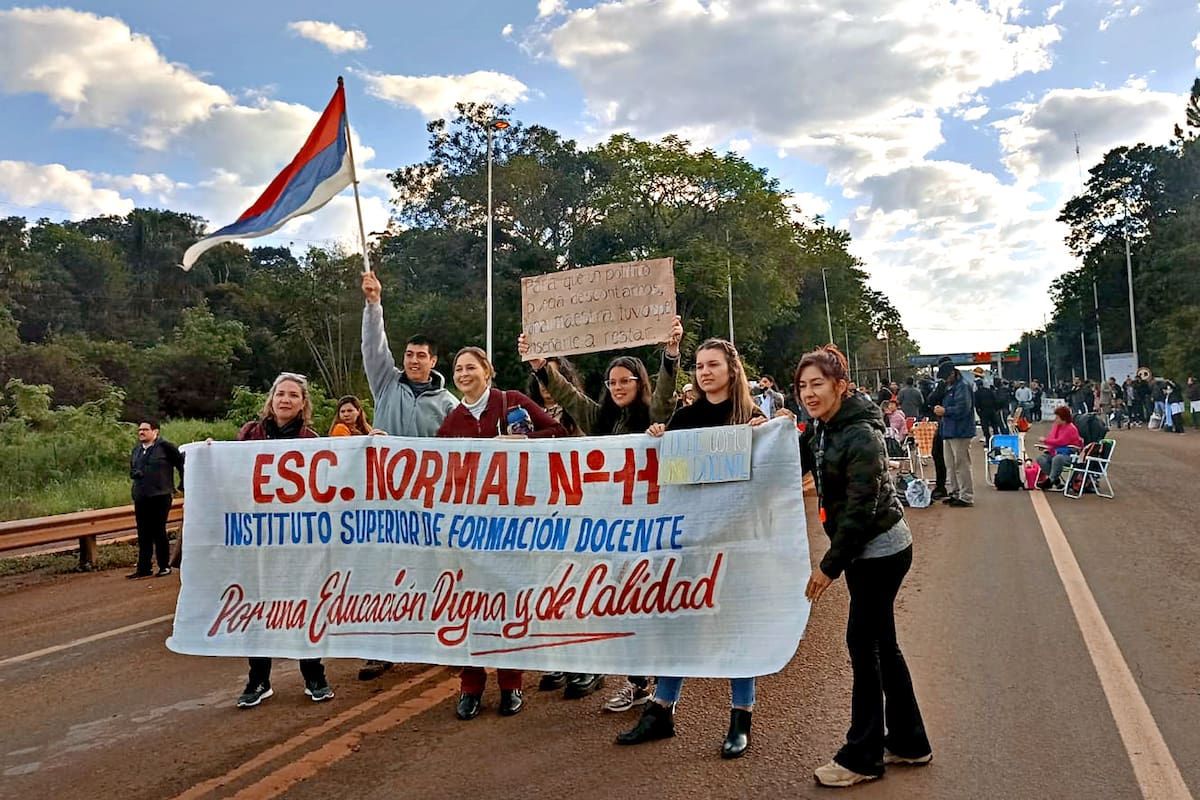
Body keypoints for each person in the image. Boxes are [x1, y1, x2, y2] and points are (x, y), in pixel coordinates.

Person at [519, 317, 684, 710]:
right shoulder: (599, 419)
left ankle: (662, 688)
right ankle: (636, 682)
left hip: (653, 525)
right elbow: (571, 397)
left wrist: (671, 354)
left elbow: (665, 397)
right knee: (623, 604)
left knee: (652, 604)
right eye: (612, 382)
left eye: (625, 381)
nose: (618, 387)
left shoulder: (653, 416)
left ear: (640, 383)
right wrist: (541, 366)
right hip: (614, 529)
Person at [618, 337, 771, 758]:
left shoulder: (752, 418)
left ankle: (741, 716)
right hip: (691, 539)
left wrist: (774, 433)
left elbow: (781, 472)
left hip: (737, 540)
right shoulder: (684, 418)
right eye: (700, 366)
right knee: (680, 620)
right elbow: (671, 478)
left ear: (732, 370)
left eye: (713, 364)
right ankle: (661, 709)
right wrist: (658, 437)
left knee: (736, 626)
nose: (705, 372)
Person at [794, 345, 930, 788]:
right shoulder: (824, 425)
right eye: (802, 386)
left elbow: (860, 511)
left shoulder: (861, 435)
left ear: (840, 386)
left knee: (863, 645)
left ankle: (863, 757)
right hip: (865, 552)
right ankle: (909, 741)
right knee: (882, 645)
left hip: (881, 552)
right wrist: (768, 428)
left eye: (817, 384)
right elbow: (795, 456)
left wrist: (828, 567)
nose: (809, 393)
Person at [438, 347, 567, 720]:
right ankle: (471, 686)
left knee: (510, 603)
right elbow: (431, 462)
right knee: (469, 606)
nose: (464, 374)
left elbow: (557, 432)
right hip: (470, 531)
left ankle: (511, 684)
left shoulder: (513, 401)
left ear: (487, 370)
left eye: (470, 367)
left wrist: (521, 443)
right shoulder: (453, 421)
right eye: (458, 369)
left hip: (513, 525)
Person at [359, 272, 458, 681]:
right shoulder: (385, 384)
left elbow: (462, 453)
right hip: (385, 498)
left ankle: (438, 639)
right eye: (410, 354)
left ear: (434, 362)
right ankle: (382, 648)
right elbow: (373, 347)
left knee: (434, 572)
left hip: (431, 503)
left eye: (422, 355)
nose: (414, 360)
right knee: (385, 573)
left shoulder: (450, 404)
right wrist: (373, 304)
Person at [235, 373, 334, 708]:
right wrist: (208, 454)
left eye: (293, 395)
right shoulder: (250, 434)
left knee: (305, 605)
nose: (285, 400)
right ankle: (258, 679)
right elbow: (231, 472)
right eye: (280, 394)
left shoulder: (312, 440)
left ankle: (314, 675)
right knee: (257, 607)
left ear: (303, 403)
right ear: (271, 399)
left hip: (299, 540)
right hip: (259, 539)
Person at [127, 420, 184, 579]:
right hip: (141, 495)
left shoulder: (165, 447)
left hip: (160, 495)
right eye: (140, 430)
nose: (141, 432)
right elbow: (133, 469)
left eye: (145, 429)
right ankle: (144, 567)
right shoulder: (137, 450)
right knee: (143, 532)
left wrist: (182, 484)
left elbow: (181, 464)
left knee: (158, 530)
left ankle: (164, 565)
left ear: (155, 431)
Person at [934, 362, 974, 507]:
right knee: (950, 465)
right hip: (949, 431)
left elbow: (963, 408)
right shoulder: (949, 386)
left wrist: (945, 411)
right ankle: (955, 492)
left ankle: (966, 496)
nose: (944, 380)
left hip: (961, 431)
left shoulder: (962, 386)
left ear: (952, 373)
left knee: (961, 464)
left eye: (945, 377)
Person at [1035, 406, 1084, 490]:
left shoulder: (1070, 428)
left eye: (1057, 417)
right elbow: (1052, 439)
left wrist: (1045, 441)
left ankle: (1050, 480)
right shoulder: (1056, 426)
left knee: (1057, 459)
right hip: (1055, 451)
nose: (1055, 419)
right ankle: (1055, 480)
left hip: (1070, 455)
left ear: (1063, 419)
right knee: (1041, 459)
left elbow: (1061, 441)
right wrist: (1047, 446)